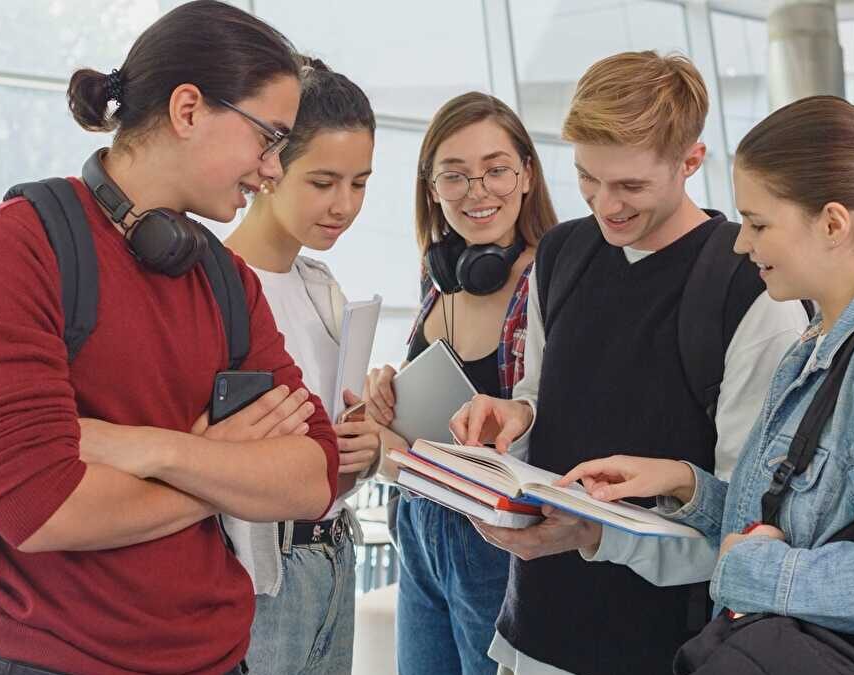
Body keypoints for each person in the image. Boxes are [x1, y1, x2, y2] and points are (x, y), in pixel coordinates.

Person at [0, 3, 337, 673]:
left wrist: (147, 447)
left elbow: (314, 473)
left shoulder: (225, 277)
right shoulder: (9, 248)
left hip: (220, 658)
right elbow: (40, 509)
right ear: (187, 110)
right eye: (268, 137)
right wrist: (223, 467)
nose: (273, 169)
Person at [561, 94, 854, 665]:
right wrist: (683, 484)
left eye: (758, 223)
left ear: (832, 223)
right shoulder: (823, 339)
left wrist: (757, 571)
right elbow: (796, 523)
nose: (742, 242)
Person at [449, 52, 808, 675]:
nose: (604, 204)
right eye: (588, 177)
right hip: (534, 629)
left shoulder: (752, 289)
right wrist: (515, 416)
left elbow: (747, 516)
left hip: (664, 647)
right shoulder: (562, 252)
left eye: (630, 186)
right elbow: (545, 397)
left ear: (692, 161)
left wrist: (595, 535)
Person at [361, 92, 559, 675]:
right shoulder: (438, 274)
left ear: (526, 174)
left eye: (496, 170)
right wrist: (388, 388)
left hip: (496, 536)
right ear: (431, 188)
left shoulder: (550, 277)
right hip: (420, 520)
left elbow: (559, 414)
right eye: (455, 176)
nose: (478, 192)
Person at [220, 56, 379, 675]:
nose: (344, 205)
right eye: (323, 181)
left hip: (335, 558)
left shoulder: (324, 287)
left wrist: (362, 449)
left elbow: (333, 450)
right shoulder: (214, 283)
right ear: (270, 164)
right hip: (261, 577)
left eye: (360, 183)